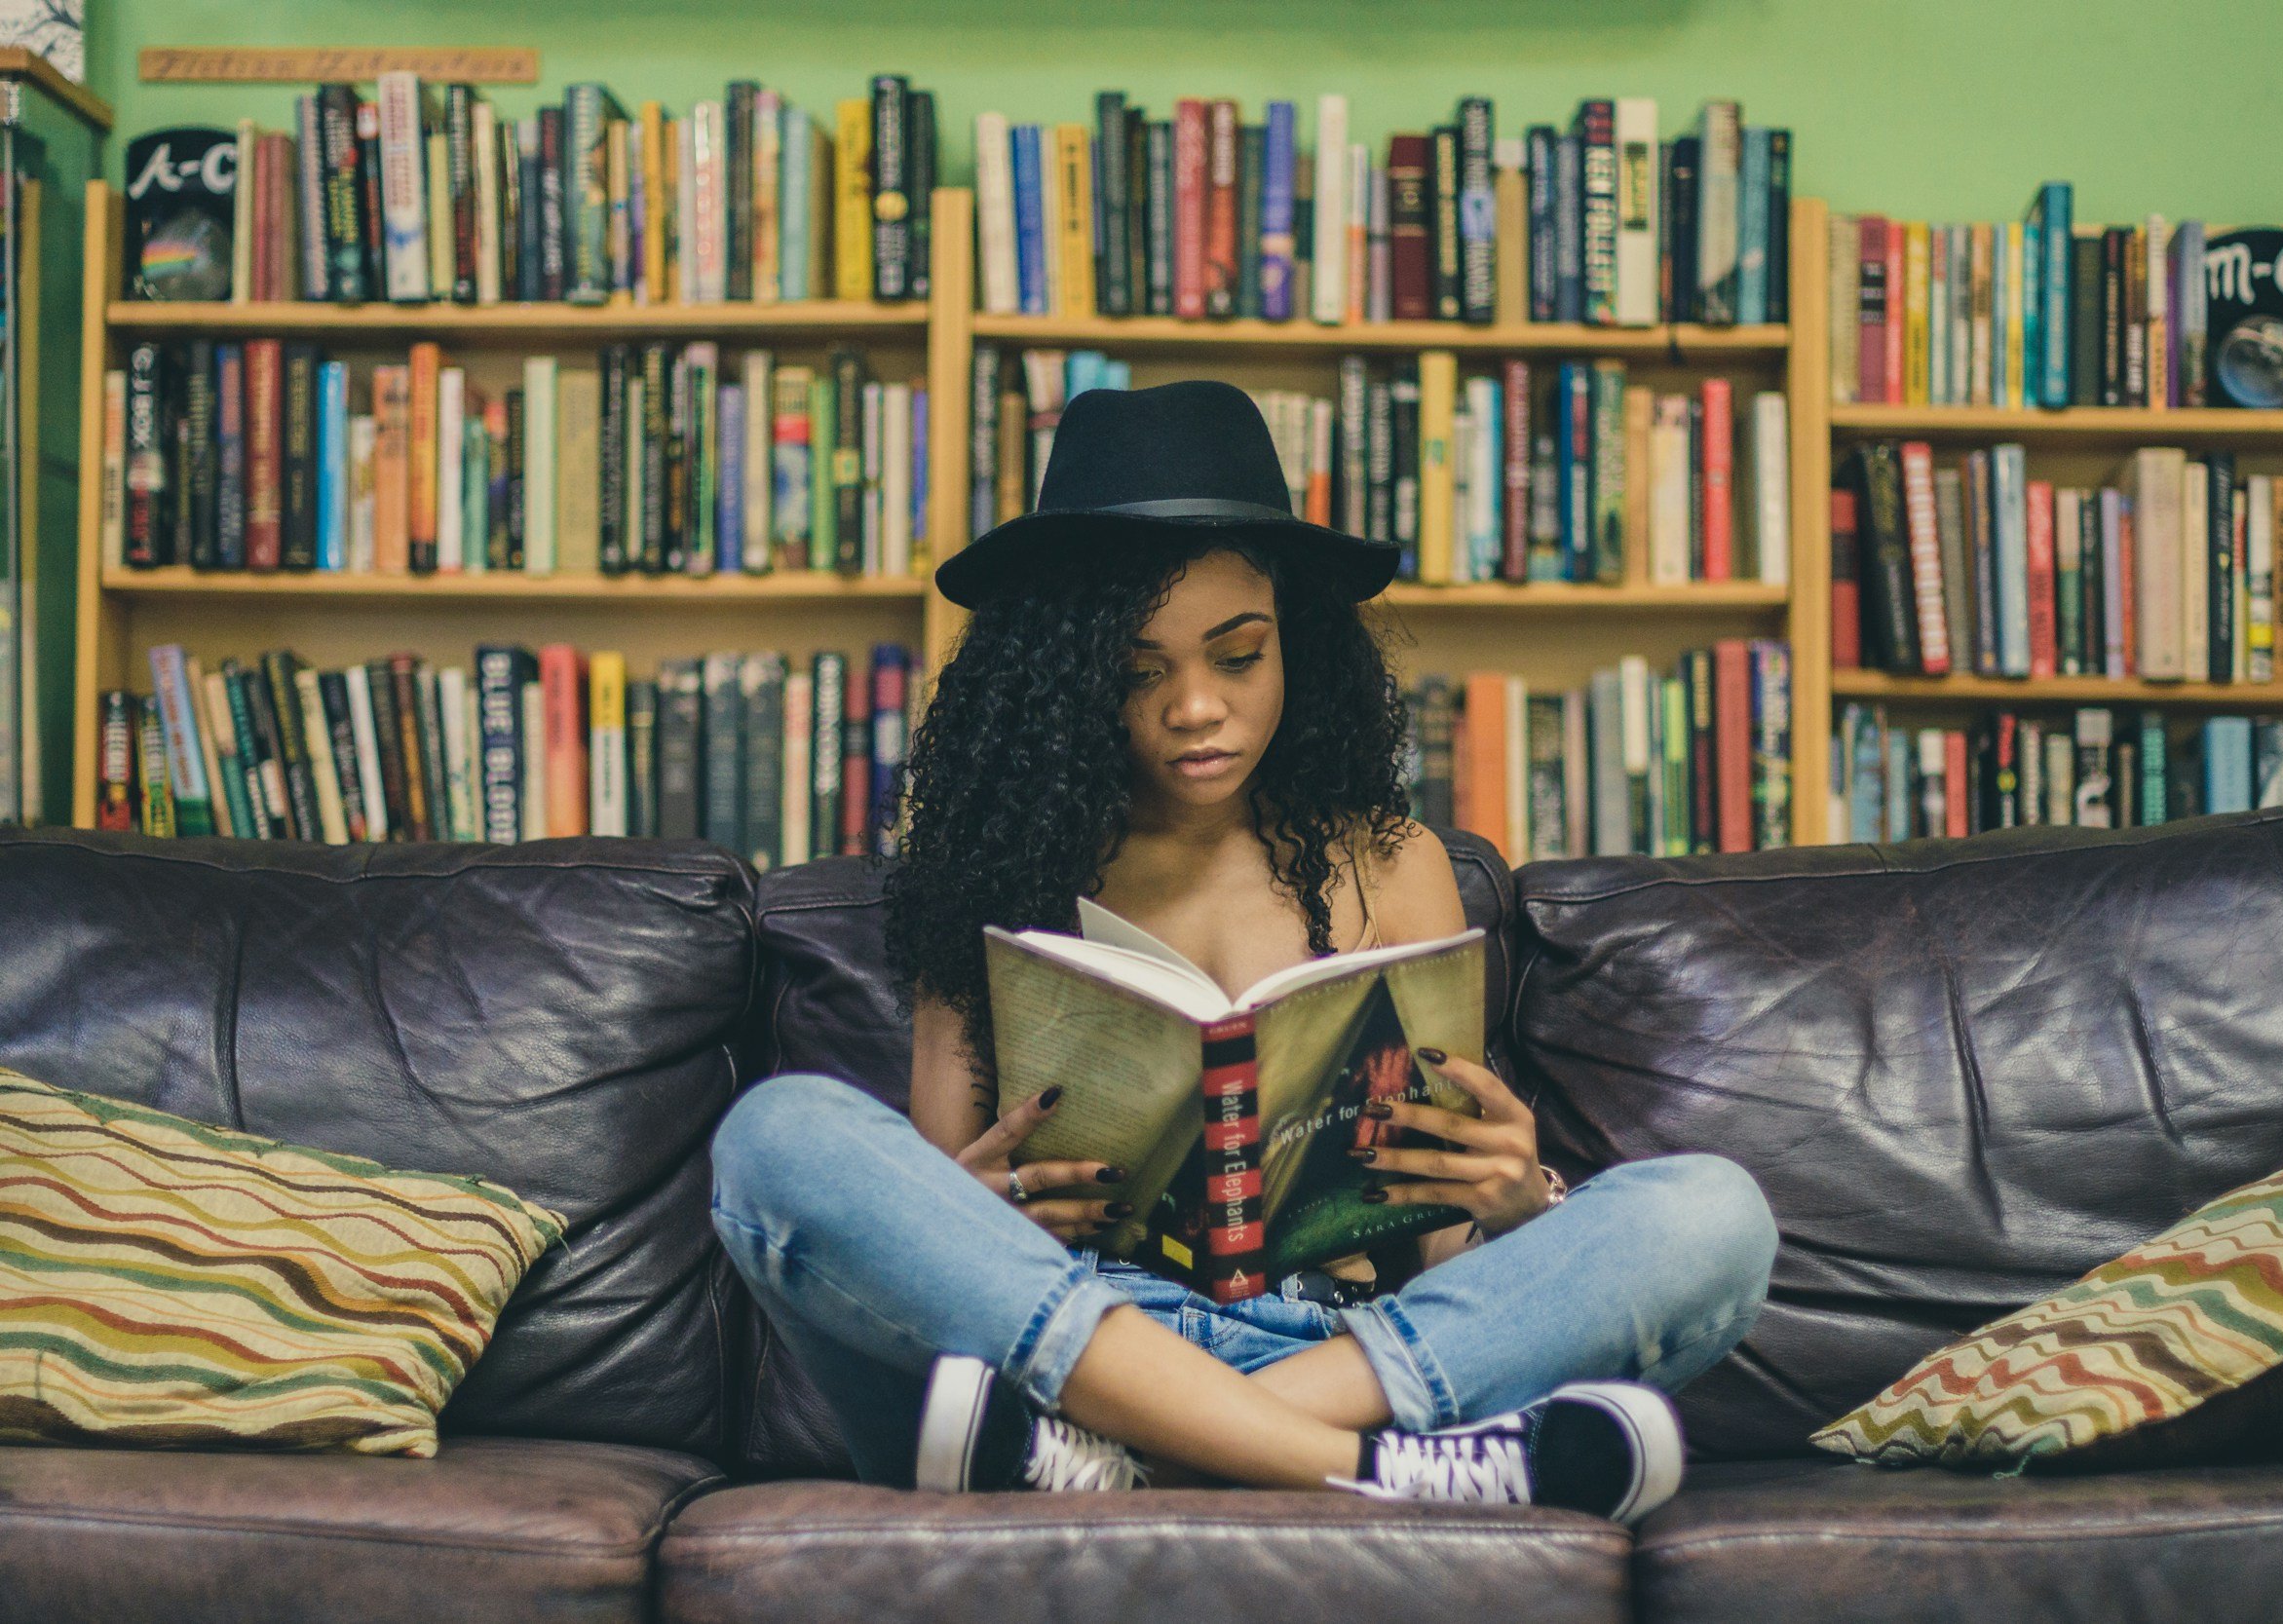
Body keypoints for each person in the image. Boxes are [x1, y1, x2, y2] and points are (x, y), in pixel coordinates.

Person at [709, 380, 1776, 1522]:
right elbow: (934, 1239)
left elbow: (1440, 1253)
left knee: (1715, 1214)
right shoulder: (985, 872)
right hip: (1066, 1340)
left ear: (1296, 649)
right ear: (1067, 679)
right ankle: (1370, 1470)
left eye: (1238, 654)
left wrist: (1518, 1198)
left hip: (1345, 1344)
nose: (1195, 707)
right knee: (776, 1138)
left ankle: (1155, 1454)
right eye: (1138, 669)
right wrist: (969, 1205)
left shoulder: (1394, 862)